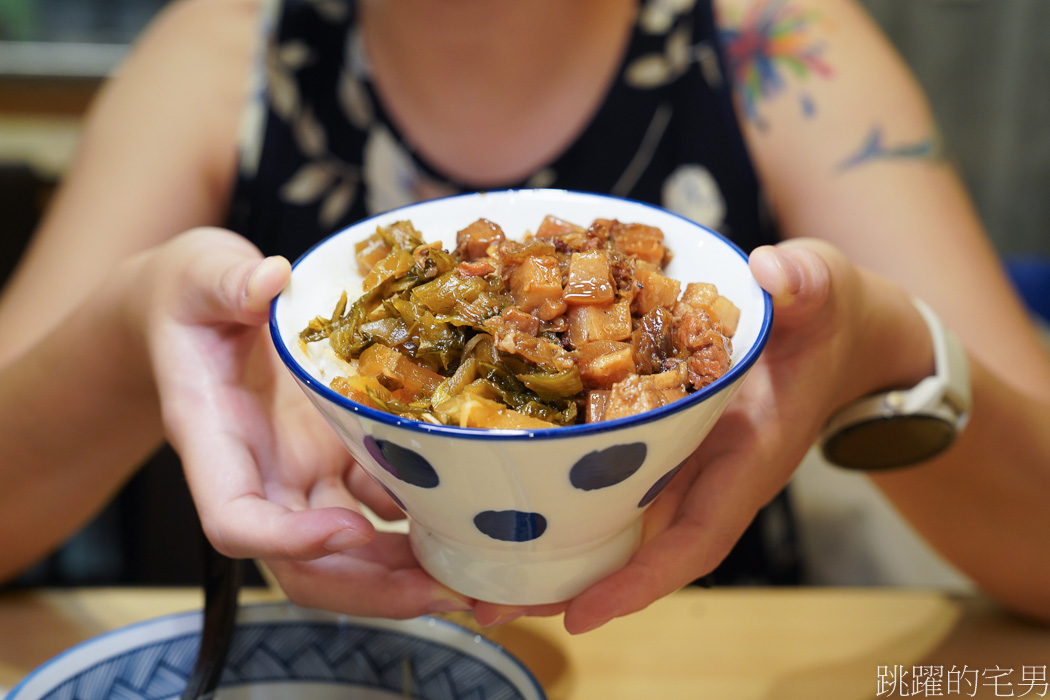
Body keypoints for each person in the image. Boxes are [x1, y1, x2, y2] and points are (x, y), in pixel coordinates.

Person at [1, 0, 1048, 634]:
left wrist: (884, 346)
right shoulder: (224, 52)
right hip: (328, 664)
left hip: (708, 656)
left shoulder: (779, 47)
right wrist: (133, 335)